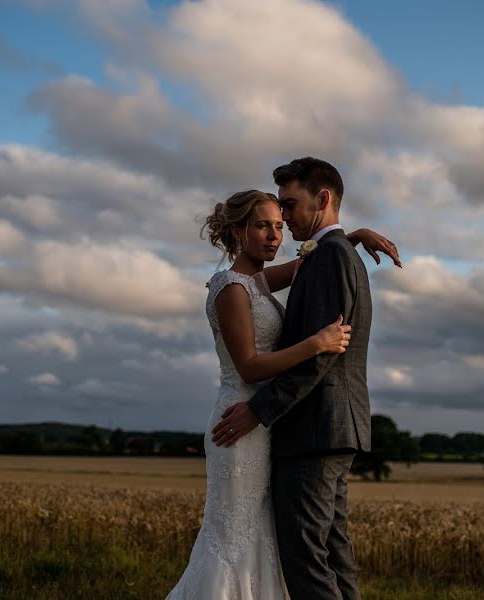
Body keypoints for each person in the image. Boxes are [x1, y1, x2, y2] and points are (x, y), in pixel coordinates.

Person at [166, 178, 399, 599]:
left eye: (279, 224)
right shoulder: (230, 287)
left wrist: (353, 236)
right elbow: (250, 367)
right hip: (240, 420)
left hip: (266, 424)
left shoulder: (257, 283)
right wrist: (315, 344)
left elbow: (318, 256)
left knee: (264, 538)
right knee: (235, 538)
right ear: (239, 232)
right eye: (262, 226)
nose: (275, 235)